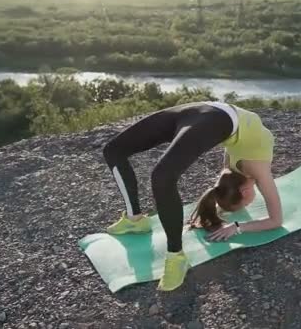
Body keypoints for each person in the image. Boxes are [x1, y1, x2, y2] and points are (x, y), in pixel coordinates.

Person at [102, 101, 283, 291]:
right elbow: (276, 220)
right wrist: (237, 227)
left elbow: (220, 189)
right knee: (161, 176)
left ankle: (135, 219)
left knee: (113, 150)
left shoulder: (230, 171)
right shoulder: (259, 170)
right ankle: (176, 256)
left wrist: (214, 210)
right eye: (242, 206)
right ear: (245, 193)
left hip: (203, 109)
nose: (245, 207)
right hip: (216, 118)